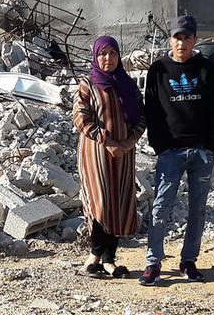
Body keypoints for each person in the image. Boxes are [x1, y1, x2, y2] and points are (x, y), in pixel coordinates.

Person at [138, 15, 214, 286]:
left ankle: (189, 261)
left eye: (187, 37)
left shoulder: (208, 69)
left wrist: (211, 145)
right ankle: (153, 262)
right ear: (170, 39)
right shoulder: (158, 70)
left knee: (198, 209)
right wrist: (160, 145)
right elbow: (151, 110)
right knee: (161, 206)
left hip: (201, 151)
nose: (182, 42)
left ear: (194, 39)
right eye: (177, 37)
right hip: (171, 152)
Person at [72, 35, 145, 278]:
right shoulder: (87, 84)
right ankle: (93, 255)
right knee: (99, 203)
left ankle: (109, 260)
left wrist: (129, 141)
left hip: (124, 154)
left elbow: (142, 116)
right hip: (96, 155)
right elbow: (81, 118)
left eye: (112, 53)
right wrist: (108, 141)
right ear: (95, 56)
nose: (108, 58)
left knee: (119, 203)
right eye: (103, 54)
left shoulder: (127, 84)